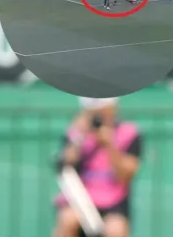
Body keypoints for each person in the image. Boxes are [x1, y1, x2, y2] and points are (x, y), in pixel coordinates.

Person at [53, 97, 142, 237]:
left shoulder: (129, 132)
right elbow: (65, 163)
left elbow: (126, 174)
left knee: (116, 230)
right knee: (68, 219)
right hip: (81, 199)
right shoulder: (76, 131)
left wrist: (110, 145)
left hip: (114, 202)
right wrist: (79, 135)